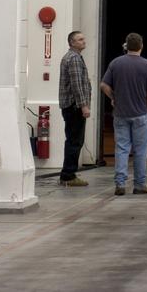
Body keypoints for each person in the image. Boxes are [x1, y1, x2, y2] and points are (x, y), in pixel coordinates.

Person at [101, 32, 147, 196]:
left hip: (120, 113)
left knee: (121, 149)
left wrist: (114, 98)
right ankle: (139, 185)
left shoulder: (116, 63)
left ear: (126, 46)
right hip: (141, 114)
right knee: (140, 151)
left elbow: (103, 85)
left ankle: (120, 184)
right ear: (141, 46)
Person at [57, 30, 91, 187]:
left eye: (83, 39)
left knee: (73, 140)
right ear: (72, 43)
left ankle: (68, 173)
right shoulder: (74, 59)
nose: (84, 41)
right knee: (75, 141)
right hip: (74, 106)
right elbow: (77, 85)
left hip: (71, 105)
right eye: (80, 39)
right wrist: (84, 106)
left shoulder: (72, 57)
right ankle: (68, 175)